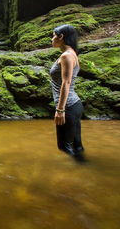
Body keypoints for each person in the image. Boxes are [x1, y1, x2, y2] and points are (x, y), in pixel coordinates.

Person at [50, 24, 84, 156]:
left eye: (53, 35)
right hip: (73, 105)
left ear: (61, 37)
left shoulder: (67, 56)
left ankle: (77, 172)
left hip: (68, 107)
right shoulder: (71, 54)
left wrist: (60, 109)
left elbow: (67, 82)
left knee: (65, 147)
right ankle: (86, 171)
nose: (52, 39)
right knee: (77, 146)